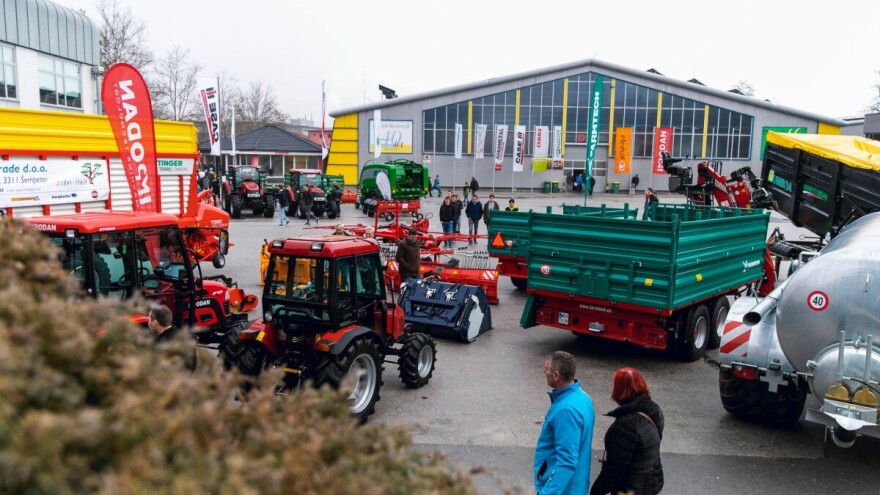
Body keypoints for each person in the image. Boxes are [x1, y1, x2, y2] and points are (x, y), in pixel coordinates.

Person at [590, 368, 664, 495]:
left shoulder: (625, 426)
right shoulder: (654, 410)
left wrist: (596, 491)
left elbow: (613, 471)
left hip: (631, 489)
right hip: (653, 482)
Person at [534, 351, 595, 495]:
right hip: (576, 485)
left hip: (563, 490)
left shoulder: (566, 411)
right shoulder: (583, 397)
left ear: (556, 375)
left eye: (546, 368)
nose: (544, 371)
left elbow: (566, 461)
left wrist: (548, 492)